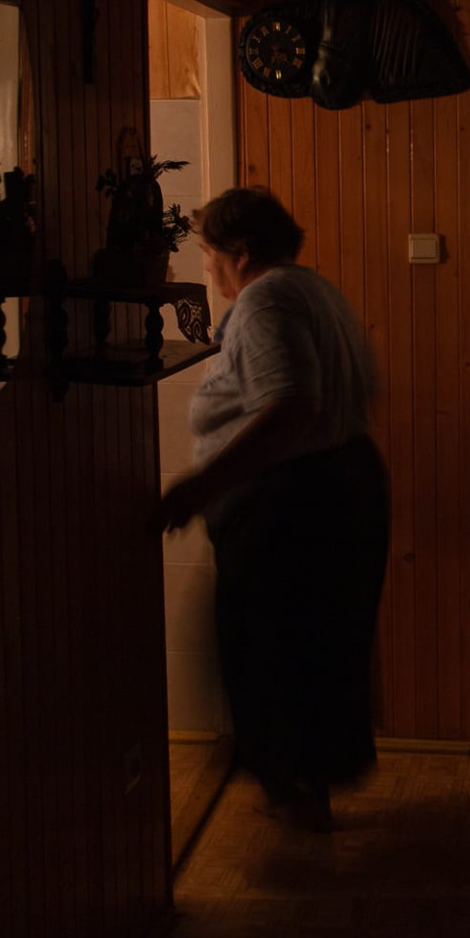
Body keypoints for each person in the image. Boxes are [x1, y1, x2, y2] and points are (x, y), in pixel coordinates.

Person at [156, 187, 388, 832]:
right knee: (316, 649)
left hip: (292, 502)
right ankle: (306, 792)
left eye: (208, 252)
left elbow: (291, 406)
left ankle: (297, 803)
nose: (206, 267)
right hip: (342, 483)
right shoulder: (316, 290)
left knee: (268, 652)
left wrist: (199, 487)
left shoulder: (264, 301)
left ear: (239, 251)